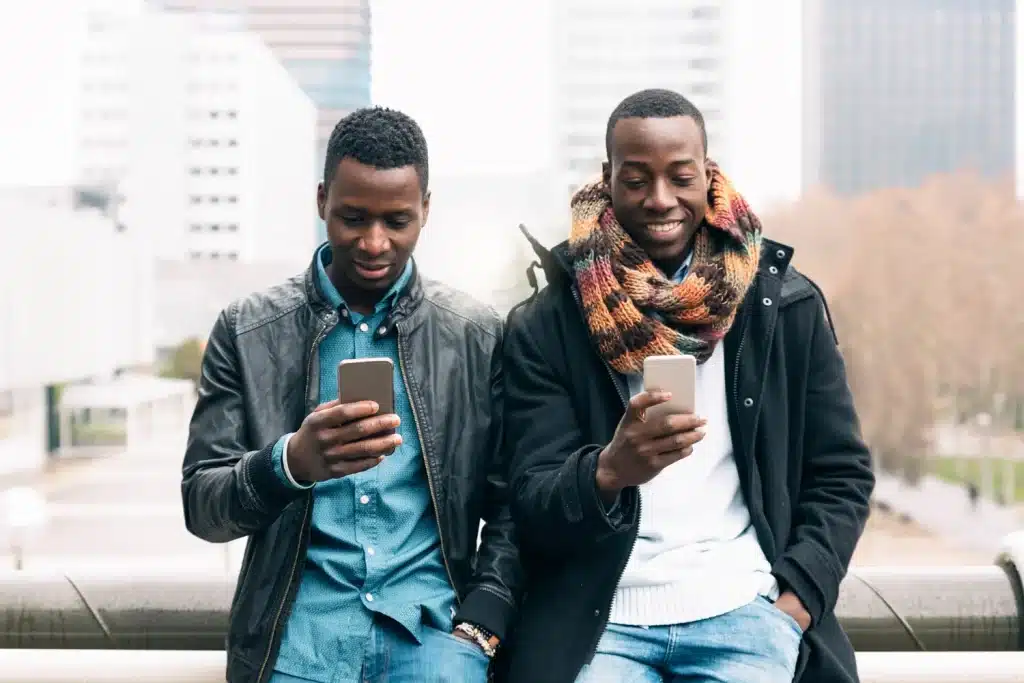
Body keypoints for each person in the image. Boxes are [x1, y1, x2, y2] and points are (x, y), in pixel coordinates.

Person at [498, 89, 874, 683]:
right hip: (601, 627)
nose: (661, 200)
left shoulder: (785, 308)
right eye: (637, 180)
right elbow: (528, 500)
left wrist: (793, 606)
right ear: (608, 178)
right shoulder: (549, 323)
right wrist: (608, 472)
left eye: (680, 177)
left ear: (709, 175)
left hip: (748, 615)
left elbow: (842, 474)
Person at [181, 106, 521, 683]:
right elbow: (201, 507)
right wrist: (290, 463)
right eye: (352, 217)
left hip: (434, 644)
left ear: (427, 210)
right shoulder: (247, 329)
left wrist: (480, 626)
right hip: (295, 648)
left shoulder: (476, 334)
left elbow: (512, 500)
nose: (373, 242)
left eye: (397, 221)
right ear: (321, 201)